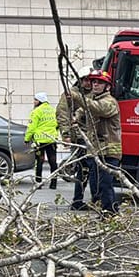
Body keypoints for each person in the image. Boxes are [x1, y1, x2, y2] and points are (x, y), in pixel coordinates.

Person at [73, 70, 122, 217]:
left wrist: (77, 96)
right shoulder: (91, 100)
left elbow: (97, 109)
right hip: (95, 151)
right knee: (96, 184)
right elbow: (82, 111)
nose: (95, 84)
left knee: (105, 184)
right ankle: (106, 210)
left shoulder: (109, 102)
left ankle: (109, 213)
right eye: (94, 82)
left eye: (100, 82)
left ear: (107, 87)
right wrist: (76, 119)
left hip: (109, 151)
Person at [58, 66, 98, 210]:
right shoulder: (70, 94)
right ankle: (81, 200)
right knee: (85, 169)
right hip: (80, 136)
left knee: (91, 169)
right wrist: (66, 135)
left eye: (91, 80)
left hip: (93, 137)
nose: (88, 83)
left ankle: (85, 200)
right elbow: (62, 114)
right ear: (79, 80)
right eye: (85, 80)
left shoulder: (95, 94)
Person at [25, 92, 59, 188]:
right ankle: (53, 183)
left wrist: (27, 138)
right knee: (53, 161)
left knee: (39, 161)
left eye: (36, 100)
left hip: (39, 141)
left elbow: (32, 126)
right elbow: (57, 124)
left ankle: (38, 182)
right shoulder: (53, 110)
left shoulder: (36, 111)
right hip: (51, 140)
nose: (34, 101)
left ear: (40, 101)